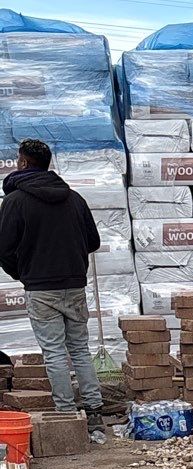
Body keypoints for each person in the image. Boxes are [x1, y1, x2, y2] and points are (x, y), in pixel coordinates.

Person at [0, 139, 106, 441]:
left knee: (55, 353)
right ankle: (94, 412)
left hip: (40, 287)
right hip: (74, 285)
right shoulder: (73, 198)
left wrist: (22, 273)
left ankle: (66, 413)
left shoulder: (15, 201)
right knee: (80, 350)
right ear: (47, 164)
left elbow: (3, 248)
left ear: (22, 163)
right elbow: (93, 242)